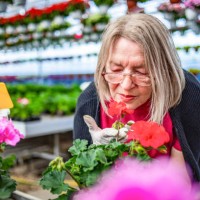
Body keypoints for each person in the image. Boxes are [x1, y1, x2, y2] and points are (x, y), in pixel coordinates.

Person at [73, 14, 200, 182]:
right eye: (116, 69)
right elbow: (85, 180)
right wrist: (96, 156)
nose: (126, 85)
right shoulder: (89, 103)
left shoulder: (186, 94)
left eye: (141, 72)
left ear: (163, 71)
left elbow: (181, 184)